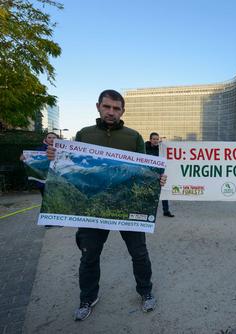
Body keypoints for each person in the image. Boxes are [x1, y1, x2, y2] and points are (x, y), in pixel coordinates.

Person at [47, 90, 166, 320]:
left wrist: (156, 178)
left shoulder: (133, 137)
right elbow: (69, 166)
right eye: (107, 107)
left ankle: (146, 291)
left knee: (139, 253)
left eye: (116, 108)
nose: (111, 112)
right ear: (98, 107)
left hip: (127, 205)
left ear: (123, 110)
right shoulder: (84, 134)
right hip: (92, 207)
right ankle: (88, 298)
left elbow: (144, 171)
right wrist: (53, 156)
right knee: (89, 255)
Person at [145, 132, 174, 217]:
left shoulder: (161, 148)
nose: (155, 141)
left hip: (160, 173)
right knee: (149, 193)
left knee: (163, 191)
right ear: (150, 139)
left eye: (157, 139)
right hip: (148, 173)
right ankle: (147, 211)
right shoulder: (144, 148)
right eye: (154, 139)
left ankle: (166, 211)